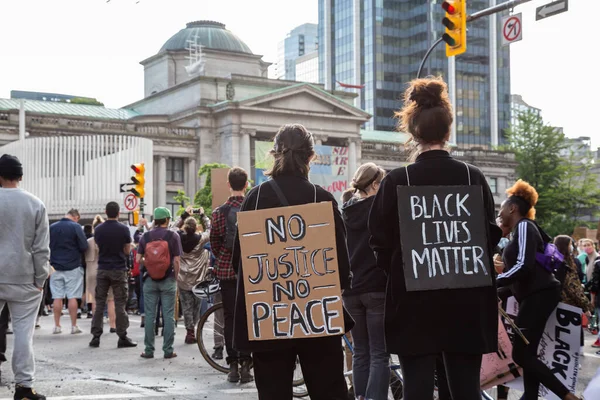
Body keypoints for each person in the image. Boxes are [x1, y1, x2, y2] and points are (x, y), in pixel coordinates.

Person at [368, 77, 501, 400]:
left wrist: (408, 268)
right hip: (466, 303)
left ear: (413, 133)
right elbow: (490, 236)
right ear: (448, 131)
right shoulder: (473, 177)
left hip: (414, 304)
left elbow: (379, 243)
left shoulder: (398, 181)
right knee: (465, 389)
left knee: (417, 389)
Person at [231, 124, 352, 399]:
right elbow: (341, 267)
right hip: (317, 316)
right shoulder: (320, 198)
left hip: (270, 319)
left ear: (274, 154)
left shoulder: (255, 198)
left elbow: (243, 261)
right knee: (329, 391)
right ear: (311, 157)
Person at [496, 180, 579, 400]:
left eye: (501, 208)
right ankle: (530, 397)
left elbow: (524, 265)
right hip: (536, 294)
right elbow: (522, 274)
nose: (500, 213)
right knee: (528, 353)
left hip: (539, 294)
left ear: (512, 208)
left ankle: (568, 396)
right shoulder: (519, 230)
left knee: (521, 353)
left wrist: (494, 281)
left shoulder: (524, 226)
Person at [0, 153, 50, 399]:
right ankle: (24, 387)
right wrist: (40, 279)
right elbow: (41, 248)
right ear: (20, 176)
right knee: (23, 332)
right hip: (24, 277)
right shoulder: (35, 203)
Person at [341, 162, 389, 400]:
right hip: (376, 287)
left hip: (351, 290)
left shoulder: (346, 211)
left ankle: (360, 397)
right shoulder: (380, 210)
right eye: (382, 183)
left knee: (360, 351)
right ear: (373, 184)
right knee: (380, 353)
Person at [210, 167, 253, 383]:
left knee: (229, 318)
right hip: (250, 272)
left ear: (229, 184)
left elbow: (214, 244)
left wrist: (225, 258)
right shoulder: (252, 209)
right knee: (248, 317)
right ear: (246, 184)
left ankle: (233, 365)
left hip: (227, 272)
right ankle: (247, 363)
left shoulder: (219, 212)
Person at [89, 202, 137, 349]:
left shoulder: (98, 229)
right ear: (118, 213)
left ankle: (96, 336)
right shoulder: (123, 229)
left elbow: (98, 246)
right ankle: (122, 335)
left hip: (103, 268)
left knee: (99, 303)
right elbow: (128, 251)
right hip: (118, 269)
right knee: (120, 303)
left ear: (106, 212)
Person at [136, 207, 182, 359]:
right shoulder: (173, 236)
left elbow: (138, 259)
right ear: (167, 220)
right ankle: (168, 350)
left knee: (150, 315)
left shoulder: (145, 236)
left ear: (155, 220)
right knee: (168, 315)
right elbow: (176, 260)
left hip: (149, 280)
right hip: (168, 279)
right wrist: (176, 276)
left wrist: (148, 262)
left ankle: (149, 350)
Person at [49, 208, 88, 334]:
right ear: (76, 217)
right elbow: (84, 246)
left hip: (55, 267)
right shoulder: (76, 227)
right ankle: (73, 326)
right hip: (73, 266)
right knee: (72, 296)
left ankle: (57, 326)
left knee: (57, 296)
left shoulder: (52, 227)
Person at [177, 208, 211, 344]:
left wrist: (184, 215)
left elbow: (172, 227)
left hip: (183, 278)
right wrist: (203, 215)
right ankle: (194, 328)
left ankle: (189, 331)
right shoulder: (201, 239)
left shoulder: (178, 237)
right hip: (198, 278)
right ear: (196, 227)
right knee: (196, 306)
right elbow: (210, 229)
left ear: (185, 226)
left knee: (186, 306)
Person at [85, 216, 117, 333]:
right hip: (106, 269)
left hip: (91, 272)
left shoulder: (88, 242)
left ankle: (96, 325)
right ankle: (113, 325)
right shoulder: (107, 241)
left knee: (95, 300)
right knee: (111, 299)